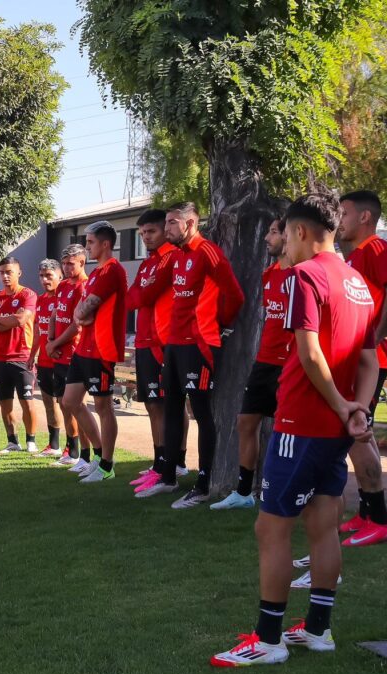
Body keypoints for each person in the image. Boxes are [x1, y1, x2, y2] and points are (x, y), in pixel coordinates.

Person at [211, 191, 377, 667]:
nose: (285, 243)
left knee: (271, 528)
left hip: (301, 421)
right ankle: (318, 630)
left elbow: (308, 352)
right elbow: (369, 360)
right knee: (323, 525)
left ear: (300, 231)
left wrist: (341, 404)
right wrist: (357, 410)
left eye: (286, 234)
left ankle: (268, 640)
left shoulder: (304, 276)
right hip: (336, 426)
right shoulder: (357, 282)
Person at [136, 202, 244, 507]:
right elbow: (152, 294)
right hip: (174, 343)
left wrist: (221, 326)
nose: (167, 228)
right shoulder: (177, 256)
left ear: (191, 223)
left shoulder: (207, 252)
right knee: (171, 408)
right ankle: (168, 477)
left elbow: (235, 295)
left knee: (201, 413)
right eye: (167, 222)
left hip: (199, 344)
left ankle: (203, 484)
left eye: (172, 222)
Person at [334, 190, 387, 545]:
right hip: (358, 360)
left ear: (364, 217)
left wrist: (373, 341)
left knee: (355, 433)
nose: (339, 220)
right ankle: (367, 513)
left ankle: (379, 520)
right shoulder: (355, 256)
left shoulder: (377, 248)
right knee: (359, 436)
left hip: (369, 361)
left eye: (344, 213)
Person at [212, 219, 293, 511]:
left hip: (291, 363)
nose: (266, 238)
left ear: (289, 235)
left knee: (287, 431)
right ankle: (244, 492)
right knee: (246, 422)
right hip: (264, 361)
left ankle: (285, 492)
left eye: (273, 232)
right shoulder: (269, 274)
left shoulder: (301, 274)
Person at [61, 221, 128, 483]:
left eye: (90, 242)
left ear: (105, 244)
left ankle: (107, 465)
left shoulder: (112, 270)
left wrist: (83, 313)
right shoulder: (97, 273)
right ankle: (98, 456)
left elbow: (84, 309)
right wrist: (83, 314)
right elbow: (81, 312)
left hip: (102, 348)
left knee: (103, 407)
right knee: (69, 401)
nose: (87, 247)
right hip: (84, 348)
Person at [126, 209, 179, 489]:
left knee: (166, 405)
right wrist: (141, 292)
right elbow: (132, 297)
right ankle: (159, 462)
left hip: (162, 341)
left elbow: (146, 294)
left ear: (165, 231)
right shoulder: (147, 263)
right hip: (144, 340)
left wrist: (142, 293)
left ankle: (173, 462)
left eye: (151, 231)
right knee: (151, 404)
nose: (146, 237)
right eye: (142, 233)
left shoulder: (171, 257)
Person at [0, 254, 39, 453]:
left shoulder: (28, 295)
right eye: (1, 273)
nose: (5, 276)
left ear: (19, 273)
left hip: (22, 357)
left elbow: (21, 320)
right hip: (0, 357)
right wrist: (8, 319)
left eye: (9, 272)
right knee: (5, 403)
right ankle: (13, 442)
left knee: (27, 402)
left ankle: (31, 441)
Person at [46, 245, 92, 470]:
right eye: (63, 263)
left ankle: (86, 454)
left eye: (70, 263)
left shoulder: (85, 286)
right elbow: (55, 315)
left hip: (75, 355)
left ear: (82, 263)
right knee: (64, 405)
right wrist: (50, 340)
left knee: (77, 406)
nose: (66, 267)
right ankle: (72, 451)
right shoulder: (63, 285)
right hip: (59, 353)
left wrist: (55, 343)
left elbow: (77, 325)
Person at [29, 259, 65, 458]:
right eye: (41, 276)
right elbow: (38, 331)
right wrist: (32, 355)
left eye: (49, 275)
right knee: (48, 403)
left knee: (68, 405)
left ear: (60, 275)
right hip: (43, 361)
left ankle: (73, 448)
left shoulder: (65, 298)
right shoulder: (41, 300)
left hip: (61, 360)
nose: (44, 280)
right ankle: (54, 444)